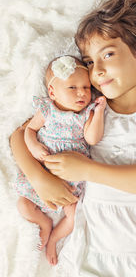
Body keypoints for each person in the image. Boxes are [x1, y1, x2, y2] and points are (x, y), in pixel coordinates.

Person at [10, 0, 136, 276]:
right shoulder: (85, 104)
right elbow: (18, 136)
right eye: (89, 62)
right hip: (93, 245)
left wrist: (87, 170)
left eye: (107, 54)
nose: (98, 70)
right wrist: (39, 178)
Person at [14, 55, 106, 266]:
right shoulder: (48, 110)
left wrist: (99, 112)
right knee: (23, 204)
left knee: (73, 216)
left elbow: (93, 138)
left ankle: (54, 237)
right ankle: (44, 223)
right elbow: (29, 130)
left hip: (69, 181)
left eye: (86, 87)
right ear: (52, 92)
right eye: (72, 88)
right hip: (42, 171)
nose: (82, 92)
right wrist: (34, 145)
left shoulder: (86, 113)